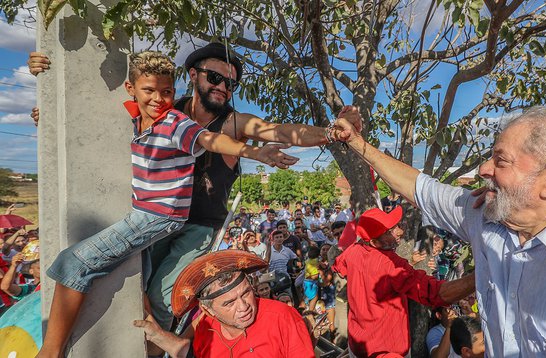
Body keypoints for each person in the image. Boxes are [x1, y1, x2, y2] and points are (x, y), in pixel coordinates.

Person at [27, 43, 361, 331]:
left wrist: (333, 133)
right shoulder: (166, 107)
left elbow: (280, 131)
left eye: (230, 84)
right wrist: (50, 90)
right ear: (193, 75)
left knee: (162, 301)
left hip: (198, 228)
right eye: (214, 78)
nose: (222, 88)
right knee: (133, 295)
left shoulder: (233, 122)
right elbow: (101, 113)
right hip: (150, 216)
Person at [334, 105, 546, 356]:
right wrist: (356, 142)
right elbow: (419, 188)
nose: (483, 169)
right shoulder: (486, 216)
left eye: (501, 161)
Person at [332, 206, 476, 357]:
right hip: (387, 349)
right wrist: (476, 278)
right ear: (375, 243)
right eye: (389, 232)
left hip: (357, 343)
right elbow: (435, 293)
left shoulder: (354, 250)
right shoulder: (392, 265)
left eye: (395, 226)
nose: (399, 232)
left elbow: (339, 266)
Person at [134, 250, 314, 358]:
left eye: (246, 293)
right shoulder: (205, 328)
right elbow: (188, 353)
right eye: (229, 303)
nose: (243, 307)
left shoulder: (283, 317)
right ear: (207, 309)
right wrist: (157, 335)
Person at [303, 245, 320, 311]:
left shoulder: (307, 260)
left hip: (306, 281)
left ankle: (308, 309)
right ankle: (310, 311)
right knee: (314, 298)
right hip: (311, 282)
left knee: (308, 297)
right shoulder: (316, 261)